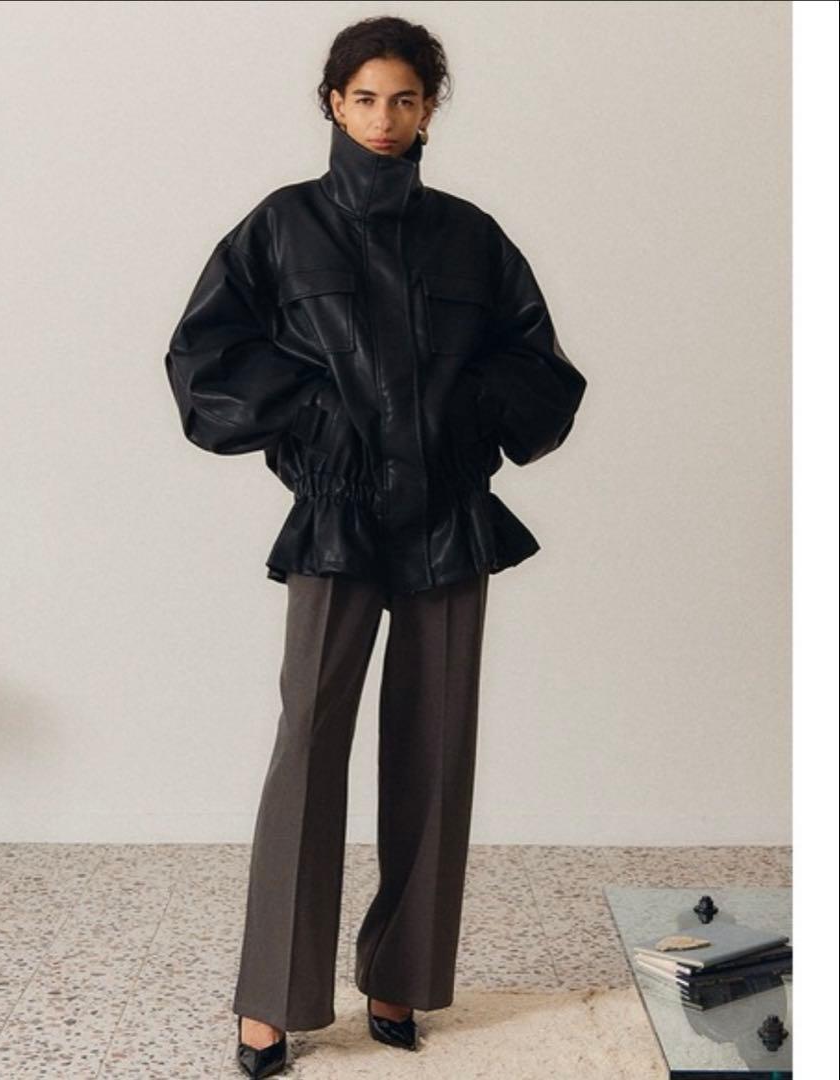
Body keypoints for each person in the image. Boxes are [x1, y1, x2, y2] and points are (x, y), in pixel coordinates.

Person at [163, 16, 587, 1078]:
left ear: (429, 107)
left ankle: (401, 978)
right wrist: (312, 414)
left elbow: (541, 369)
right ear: (332, 103)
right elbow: (203, 358)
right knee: (308, 744)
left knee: (436, 748)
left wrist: (470, 413)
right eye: (365, 98)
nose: (384, 118)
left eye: (404, 99)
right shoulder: (283, 227)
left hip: (449, 517)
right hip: (339, 515)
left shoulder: (470, 237)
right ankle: (272, 999)